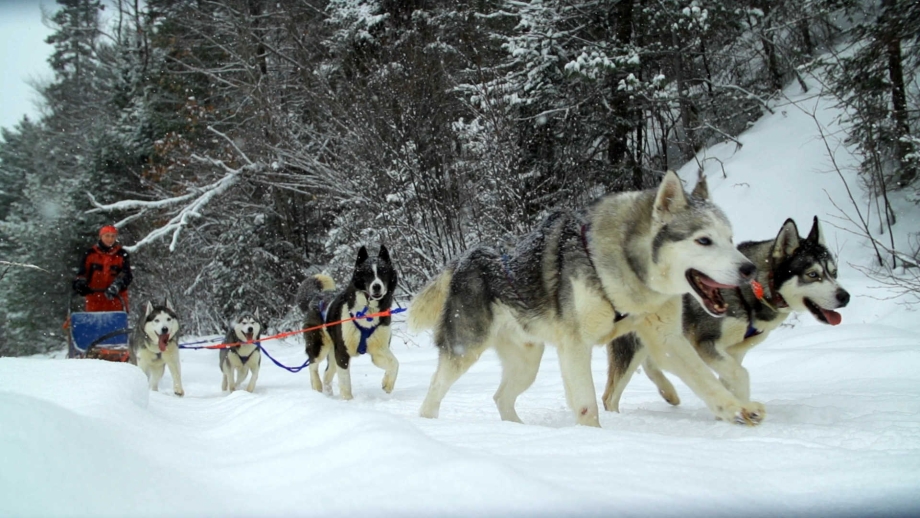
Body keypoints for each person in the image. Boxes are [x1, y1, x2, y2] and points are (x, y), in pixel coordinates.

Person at [72, 225, 133, 312]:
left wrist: (117, 285)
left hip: (116, 299)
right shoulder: (90, 254)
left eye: (113, 236)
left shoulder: (122, 255)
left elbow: (126, 275)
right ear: (101, 236)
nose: (110, 239)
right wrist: (80, 283)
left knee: (116, 323)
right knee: (93, 323)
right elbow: (82, 273)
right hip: (94, 298)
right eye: (107, 236)